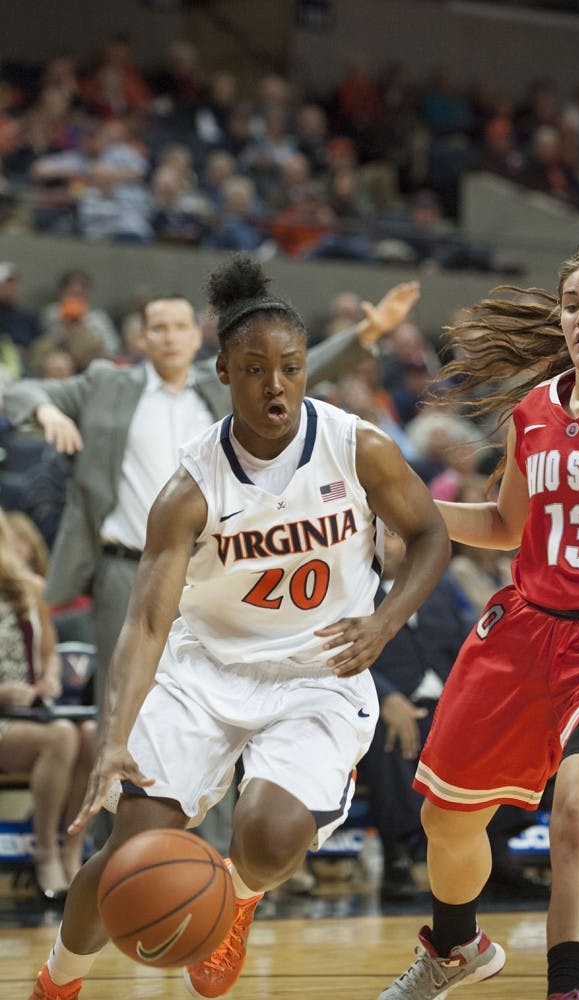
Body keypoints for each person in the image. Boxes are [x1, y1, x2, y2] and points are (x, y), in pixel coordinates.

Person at [26, 252, 450, 1000]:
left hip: (320, 672)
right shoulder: (191, 485)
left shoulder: (359, 447)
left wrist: (385, 624)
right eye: (254, 369)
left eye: (289, 366)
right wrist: (116, 737)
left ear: (305, 369)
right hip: (207, 669)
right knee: (130, 852)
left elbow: (431, 537)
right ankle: (57, 982)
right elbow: (147, 620)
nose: (275, 383)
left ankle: (239, 902)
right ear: (222, 372)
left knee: (269, 833)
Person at [377, 246, 579, 1000]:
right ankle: (456, 947)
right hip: (529, 631)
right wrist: (408, 511)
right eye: (572, 303)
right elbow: (507, 526)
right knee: (444, 819)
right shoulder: (533, 411)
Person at [3, 275, 421, 710]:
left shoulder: (224, 383)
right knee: (123, 696)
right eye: (158, 328)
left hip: (216, 566)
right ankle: (113, 778)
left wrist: (369, 331)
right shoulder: (107, 385)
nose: (170, 337)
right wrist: (47, 410)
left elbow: (304, 363)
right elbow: (23, 392)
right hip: (126, 566)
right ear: (143, 337)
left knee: (220, 694)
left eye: (180, 327)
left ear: (197, 335)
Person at [358, 526, 468, 898]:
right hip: (391, 701)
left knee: (486, 736)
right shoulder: (353, 594)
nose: (386, 544)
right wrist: (386, 697)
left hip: (449, 702)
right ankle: (399, 855)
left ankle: (496, 856)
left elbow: (469, 644)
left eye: (393, 535)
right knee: (385, 736)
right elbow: (342, 655)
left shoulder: (439, 587)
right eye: (380, 536)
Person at [0, 507, 95, 899]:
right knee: (60, 737)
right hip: (6, 714)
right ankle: (44, 853)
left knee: (91, 733)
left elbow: (51, 652)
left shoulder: (31, 588)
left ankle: (71, 849)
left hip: (34, 710)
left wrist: (50, 678)